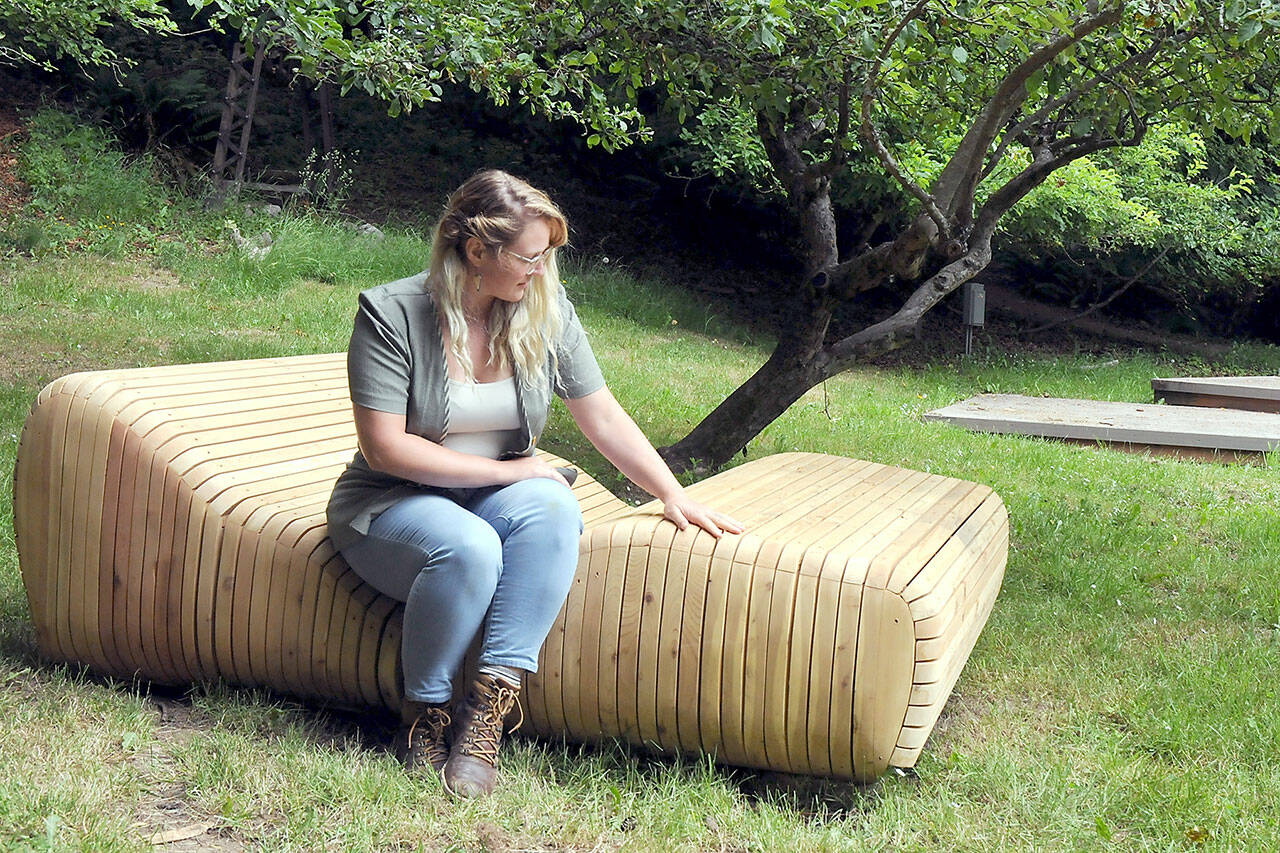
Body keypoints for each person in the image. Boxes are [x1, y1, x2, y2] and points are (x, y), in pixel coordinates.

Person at [325, 169, 743, 798]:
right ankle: (426, 714)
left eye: (548, 255)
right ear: (475, 251)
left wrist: (670, 493)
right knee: (468, 546)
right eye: (528, 256)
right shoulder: (391, 313)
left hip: (490, 497)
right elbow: (385, 448)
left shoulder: (544, 311)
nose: (541, 270)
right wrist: (508, 470)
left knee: (550, 503)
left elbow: (599, 412)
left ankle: (488, 711)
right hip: (393, 501)